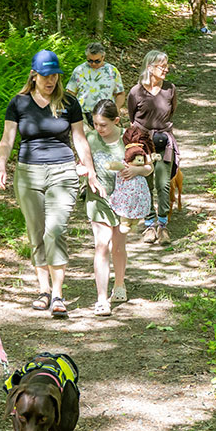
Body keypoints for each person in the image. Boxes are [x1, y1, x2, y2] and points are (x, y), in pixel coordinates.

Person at [0, 49, 102, 318]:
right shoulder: (18, 103)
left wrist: (89, 169)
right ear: (34, 75)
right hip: (28, 172)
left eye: (54, 74)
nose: (50, 80)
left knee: (54, 230)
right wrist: (1, 166)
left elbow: (79, 137)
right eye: (45, 75)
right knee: (36, 232)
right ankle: (43, 291)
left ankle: (57, 294)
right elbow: (8, 138)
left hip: (62, 171)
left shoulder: (68, 102)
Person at [83, 99, 153, 316]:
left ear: (116, 121)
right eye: (95, 123)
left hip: (124, 200)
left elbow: (149, 166)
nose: (99, 129)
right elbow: (82, 162)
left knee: (118, 246)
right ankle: (102, 299)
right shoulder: (90, 138)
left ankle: (119, 284)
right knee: (101, 245)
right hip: (99, 198)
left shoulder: (130, 137)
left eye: (104, 124)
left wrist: (136, 171)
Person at [127, 50, 178, 245]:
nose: (166, 69)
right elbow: (133, 117)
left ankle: (163, 225)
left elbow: (171, 112)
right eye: (161, 66)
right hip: (142, 143)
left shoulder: (170, 89)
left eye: (166, 65)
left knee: (163, 184)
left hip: (164, 142)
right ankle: (149, 224)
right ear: (150, 67)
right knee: (145, 183)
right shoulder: (136, 91)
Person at [66, 42, 126, 127]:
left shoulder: (112, 71)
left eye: (97, 61)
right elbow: (70, 93)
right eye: (90, 61)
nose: (93, 64)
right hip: (83, 117)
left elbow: (120, 94)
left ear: (103, 57)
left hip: (106, 115)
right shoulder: (79, 70)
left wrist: (117, 108)